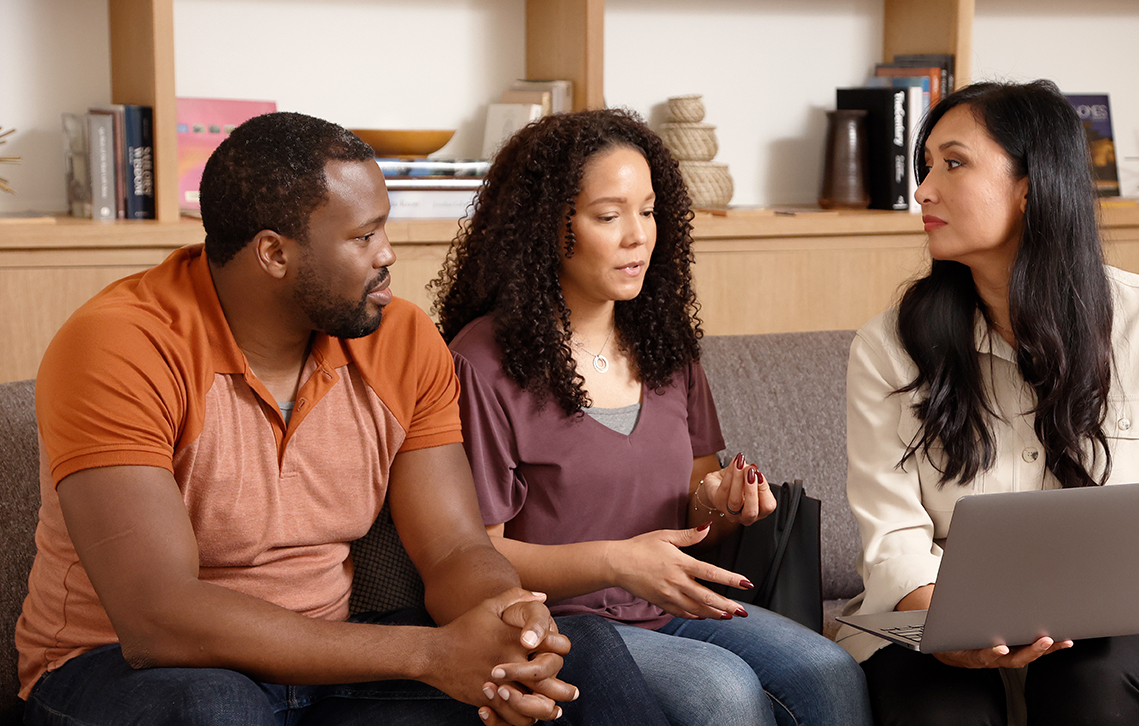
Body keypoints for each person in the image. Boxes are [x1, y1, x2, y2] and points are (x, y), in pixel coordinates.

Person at [15, 111, 670, 726]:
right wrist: (432, 656)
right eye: (362, 237)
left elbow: (452, 549)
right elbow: (159, 620)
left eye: (382, 227)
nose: (387, 254)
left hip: (330, 669)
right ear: (274, 254)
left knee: (578, 643)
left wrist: (508, 623)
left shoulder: (400, 338)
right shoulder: (120, 346)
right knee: (211, 703)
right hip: (120, 670)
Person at [433, 108, 872, 726]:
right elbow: (476, 554)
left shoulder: (665, 345)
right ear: (545, 229)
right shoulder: (481, 362)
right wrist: (620, 561)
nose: (639, 235)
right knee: (722, 693)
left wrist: (718, 502)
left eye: (649, 210)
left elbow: (696, 517)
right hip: (565, 624)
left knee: (830, 672)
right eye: (609, 216)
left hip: (672, 607)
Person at [836, 80, 1139, 725]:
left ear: (1030, 185)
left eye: (954, 163)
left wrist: (1109, 586)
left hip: (1120, 633)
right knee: (935, 708)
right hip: (938, 618)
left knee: (1091, 683)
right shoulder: (889, 347)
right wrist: (953, 627)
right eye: (926, 166)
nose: (924, 190)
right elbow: (892, 537)